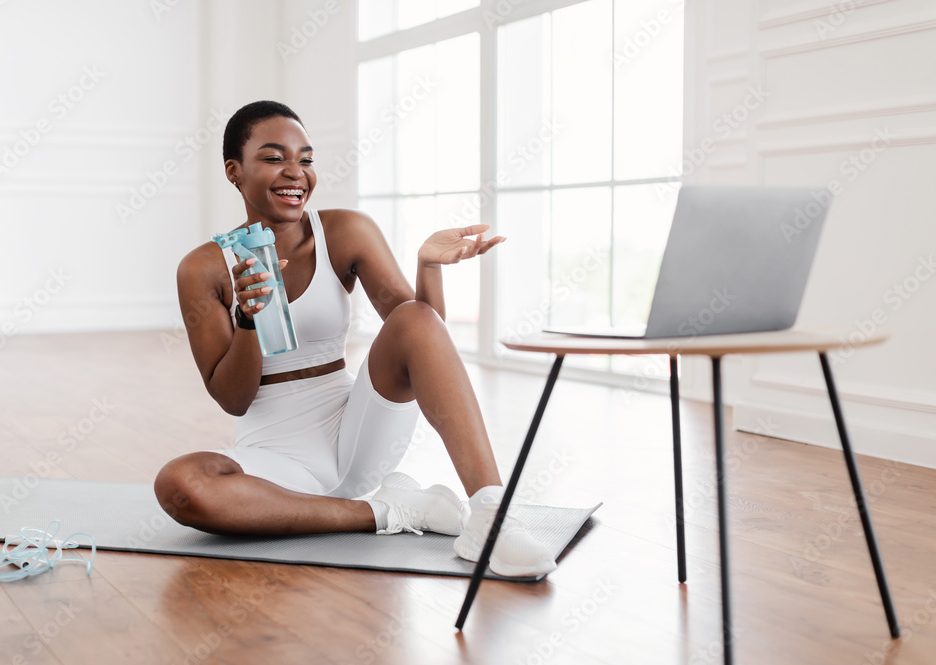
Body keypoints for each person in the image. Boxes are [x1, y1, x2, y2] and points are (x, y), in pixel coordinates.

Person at [153, 101, 555, 576]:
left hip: (358, 432)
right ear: (234, 171)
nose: (295, 173)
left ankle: (491, 516)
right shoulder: (201, 268)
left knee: (411, 316)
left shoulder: (345, 231)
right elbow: (233, 400)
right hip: (276, 458)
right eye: (273, 157)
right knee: (180, 485)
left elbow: (424, 335)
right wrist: (248, 318)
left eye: (305, 159)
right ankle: (394, 511)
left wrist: (428, 268)